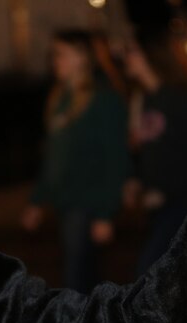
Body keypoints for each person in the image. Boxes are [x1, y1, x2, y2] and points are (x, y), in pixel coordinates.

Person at [22, 29, 130, 293]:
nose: (54, 60)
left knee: (76, 283)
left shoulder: (104, 100)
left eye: (60, 54)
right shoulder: (60, 100)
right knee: (84, 280)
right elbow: (53, 158)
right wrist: (37, 201)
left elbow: (117, 159)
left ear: (82, 58)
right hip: (66, 205)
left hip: (87, 206)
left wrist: (106, 212)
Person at [122, 27, 187, 278]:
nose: (126, 56)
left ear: (151, 56)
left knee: (148, 274)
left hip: (184, 204)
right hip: (159, 206)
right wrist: (138, 181)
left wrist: (167, 192)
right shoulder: (144, 99)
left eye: (132, 50)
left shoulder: (183, 99)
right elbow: (149, 150)